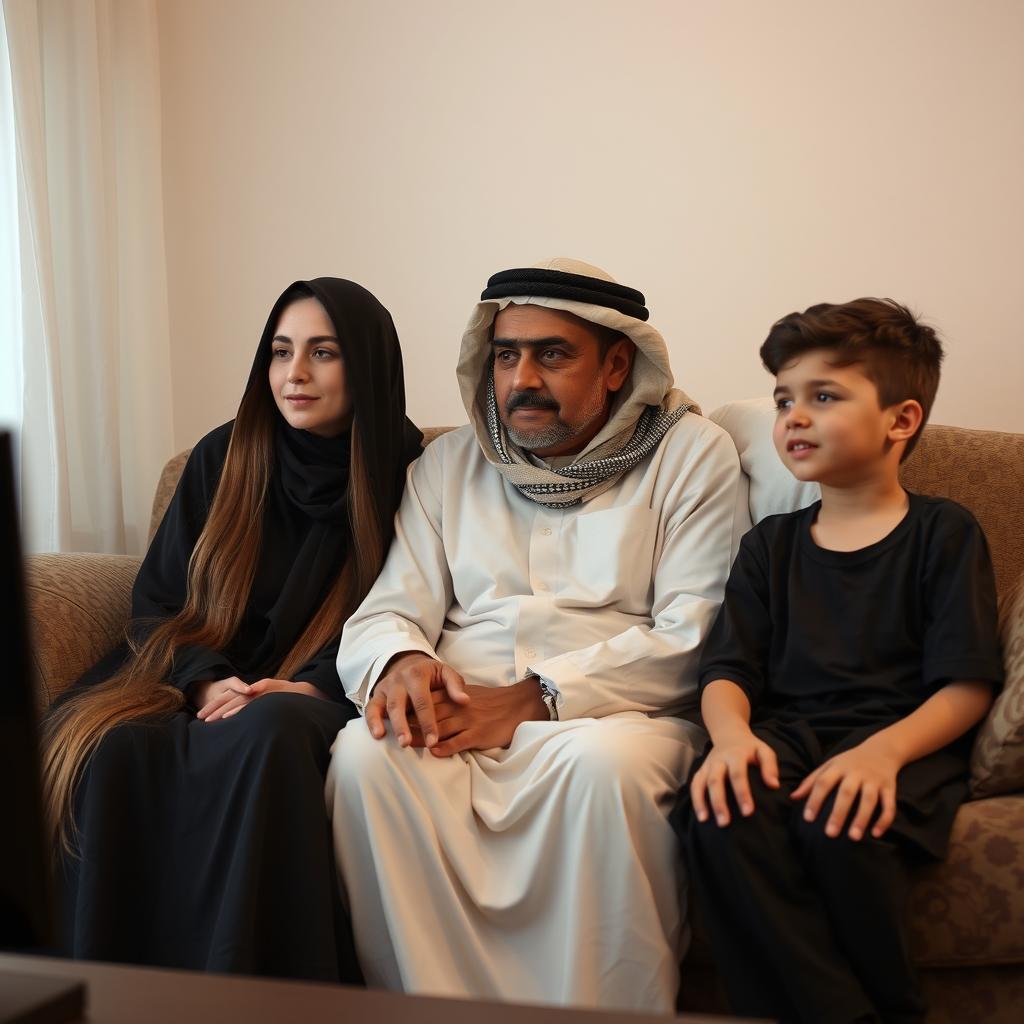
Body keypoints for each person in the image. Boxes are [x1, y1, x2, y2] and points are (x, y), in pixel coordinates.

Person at [326, 257, 744, 1011]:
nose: (522, 378)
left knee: (602, 768)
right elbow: (390, 607)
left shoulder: (691, 455)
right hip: (460, 717)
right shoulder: (447, 465)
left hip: (617, 717)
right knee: (365, 753)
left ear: (617, 364)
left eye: (551, 354)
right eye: (506, 355)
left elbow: (699, 633)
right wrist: (402, 662)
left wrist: (535, 699)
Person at [42, 277, 422, 981]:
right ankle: (107, 994)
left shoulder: (412, 469)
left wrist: (310, 687)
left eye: (323, 352)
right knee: (115, 746)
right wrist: (207, 678)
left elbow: (411, 604)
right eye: (280, 352)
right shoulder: (224, 456)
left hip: (327, 686)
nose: (294, 374)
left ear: (366, 363)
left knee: (270, 734)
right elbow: (160, 596)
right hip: (191, 670)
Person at [676, 299, 1003, 1024]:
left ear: (901, 419)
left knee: (838, 823)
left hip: (902, 741)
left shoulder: (943, 532)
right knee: (719, 813)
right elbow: (728, 669)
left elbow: (967, 681)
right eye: (784, 399)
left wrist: (882, 757)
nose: (793, 416)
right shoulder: (771, 545)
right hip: (787, 737)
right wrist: (732, 741)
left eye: (823, 397)